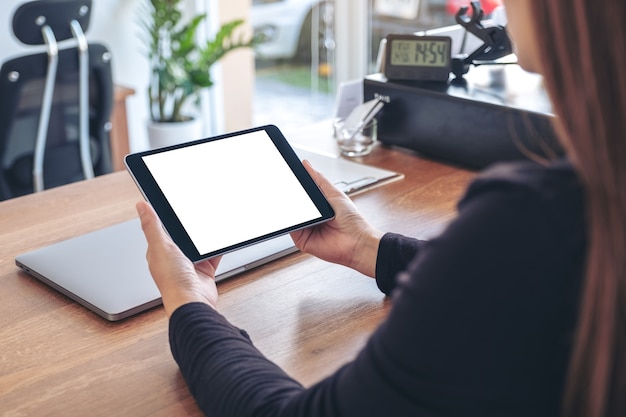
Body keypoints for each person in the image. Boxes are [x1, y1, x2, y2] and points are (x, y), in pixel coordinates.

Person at [136, 0, 626, 416]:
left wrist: (188, 303)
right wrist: (371, 250)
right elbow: (527, 280)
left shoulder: (529, 215)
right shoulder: (578, 214)